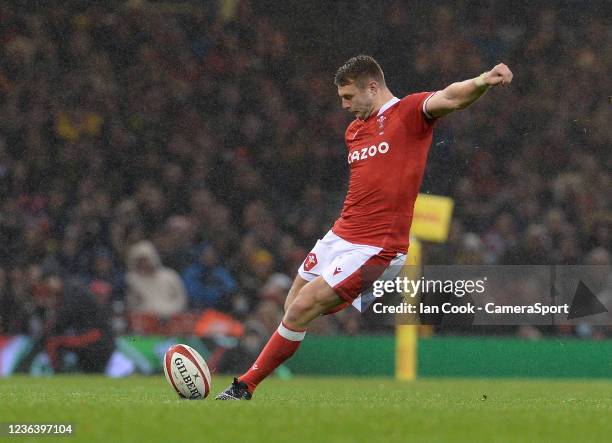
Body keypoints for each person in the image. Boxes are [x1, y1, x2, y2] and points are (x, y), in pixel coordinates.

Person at [216, 55, 513, 399]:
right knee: (293, 305)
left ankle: (243, 386)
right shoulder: (354, 130)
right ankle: (328, 317)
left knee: (302, 309)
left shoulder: (410, 112)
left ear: (372, 87)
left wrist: (482, 80)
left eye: (348, 97)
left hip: (378, 247)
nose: (344, 106)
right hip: (340, 235)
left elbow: (450, 96)